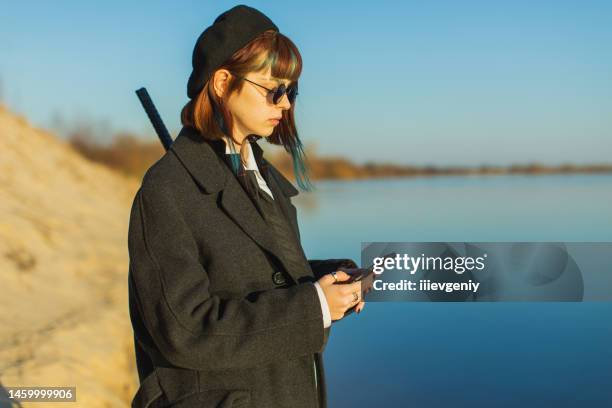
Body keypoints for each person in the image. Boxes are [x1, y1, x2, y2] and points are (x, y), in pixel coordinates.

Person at [127, 4, 365, 408]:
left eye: (292, 91)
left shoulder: (266, 181)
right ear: (222, 82)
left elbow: (253, 278)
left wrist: (325, 278)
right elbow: (184, 331)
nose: (287, 104)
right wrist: (313, 306)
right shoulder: (167, 188)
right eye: (274, 90)